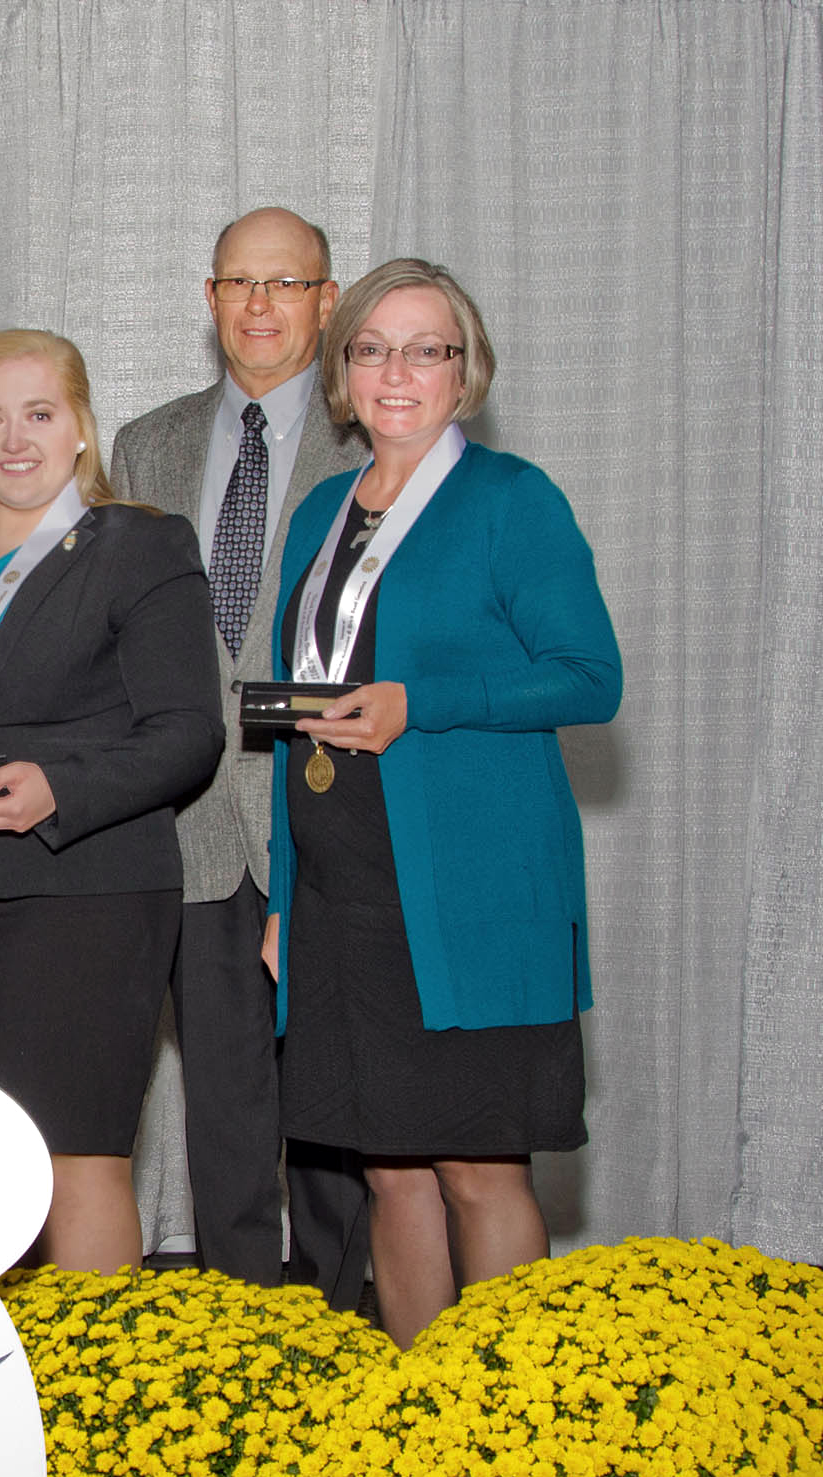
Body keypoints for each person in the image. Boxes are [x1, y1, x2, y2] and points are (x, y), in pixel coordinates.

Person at [260, 258, 622, 1347]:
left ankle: (507, 1419)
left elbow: (588, 677)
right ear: (342, 373)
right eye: (372, 348)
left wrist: (428, 702)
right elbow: (296, 716)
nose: (398, 371)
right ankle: (419, 1415)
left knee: (475, 1166)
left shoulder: (514, 502)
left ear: (467, 372)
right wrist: (285, 897)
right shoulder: (325, 507)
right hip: (342, 892)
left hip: (468, 894)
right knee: (390, 1172)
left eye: (428, 349)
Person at [0, 331, 224, 1271]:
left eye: (39, 414)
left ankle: (95, 1399)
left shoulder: (141, 543)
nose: (14, 439)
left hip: (85, 894)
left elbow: (190, 733)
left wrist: (61, 788)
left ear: (80, 430)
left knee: (76, 1159)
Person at [109, 206, 374, 1305]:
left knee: (338, 1107)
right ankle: (239, 1330)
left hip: (328, 816)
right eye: (239, 283)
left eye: (286, 283)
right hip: (192, 821)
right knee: (219, 1101)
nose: (260, 305)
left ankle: (348, 1326)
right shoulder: (145, 444)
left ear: (326, 300)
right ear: (209, 298)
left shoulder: (374, 443)